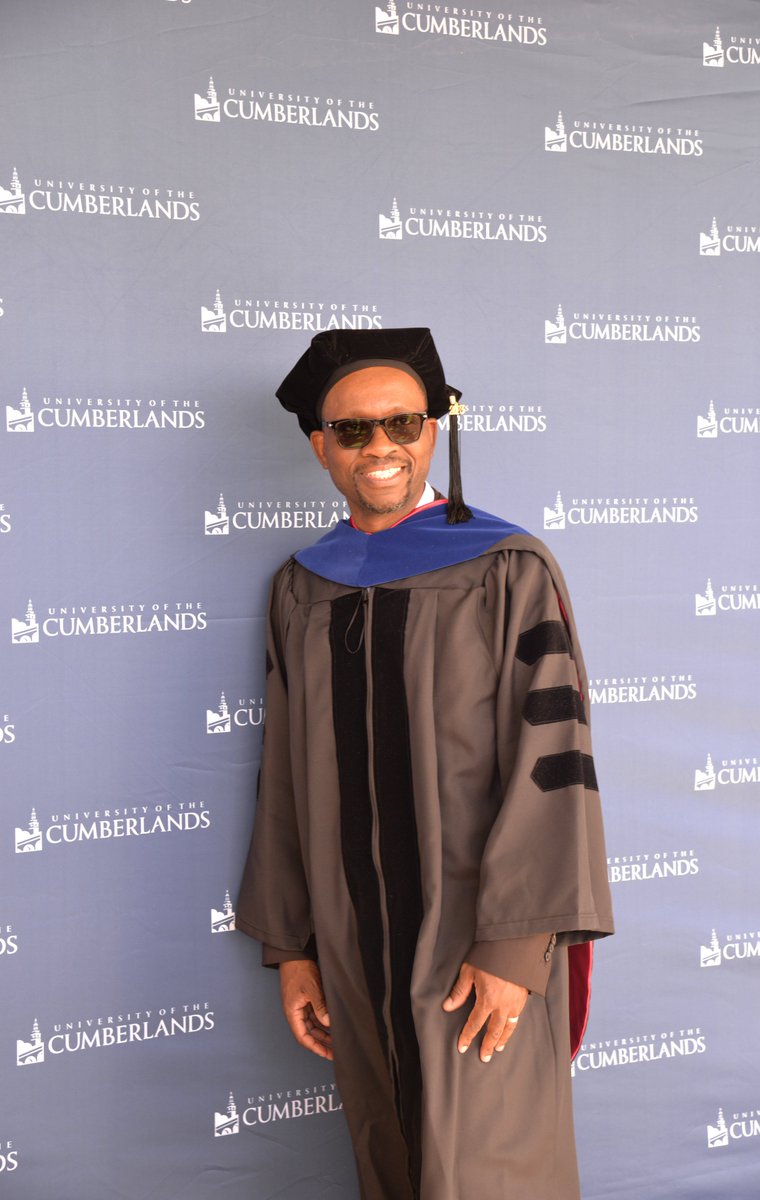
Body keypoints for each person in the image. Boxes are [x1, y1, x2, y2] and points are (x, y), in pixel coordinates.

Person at [236, 328, 614, 1200]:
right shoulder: (302, 586)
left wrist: (517, 945)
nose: (381, 448)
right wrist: (294, 941)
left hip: (474, 932)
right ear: (319, 445)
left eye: (401, 424)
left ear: (434, 429)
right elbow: (286, 773)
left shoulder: (504, 567)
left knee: (488, 1169)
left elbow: (551, 756)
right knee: (393, 1160)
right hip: (351, 934)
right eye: (354, 431)